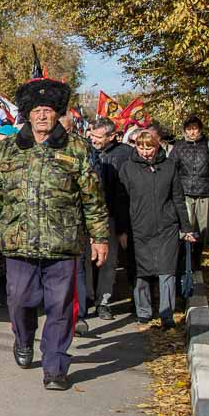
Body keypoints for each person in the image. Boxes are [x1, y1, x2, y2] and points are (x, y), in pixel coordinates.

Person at [0, 78, 109, 391]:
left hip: (63, 243)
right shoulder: (8, 149)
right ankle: (23, 339)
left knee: (60, 307)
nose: (43, 116)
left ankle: (55, 366)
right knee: (20, 300)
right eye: (37, 111)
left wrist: (100, 238)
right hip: (18, 242)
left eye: (48, 110)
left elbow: (93, 198)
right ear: (28, 114)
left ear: (57, 113)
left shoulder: (76, 148)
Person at [115, 128, 195, 328]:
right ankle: (143, 311)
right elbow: (121, 202)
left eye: (149, 148)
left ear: (157, 146)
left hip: (166, 228)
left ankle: (166, 314)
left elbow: (178, 198)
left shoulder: (169, 167)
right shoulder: (127, 168)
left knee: (167, 271)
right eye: (141, 148)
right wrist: (122, 230)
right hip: (137, 228)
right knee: (140, 272)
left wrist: (186, 228)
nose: (145, 152)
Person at [84, 118, 129, 319]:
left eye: (98, 136)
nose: (93, 139)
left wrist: (122, 226)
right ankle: (86, 296)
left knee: (108, 262)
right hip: (87, 216)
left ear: (111, 136)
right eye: (92, 135)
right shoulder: (84, 151)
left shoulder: (125, 154)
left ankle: (103, 301)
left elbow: (124, 193)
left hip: (110, 215)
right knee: (86, 259)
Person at [170, 115, 209, 275]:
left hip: (205, 194)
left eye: (195, 128)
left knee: (201, 232)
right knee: (183, 230)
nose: (192, 132)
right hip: (184, 194)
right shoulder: (179, 146)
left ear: (200, 129)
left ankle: (196, 262)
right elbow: (171, 170)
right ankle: (182, 264)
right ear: (185, 130)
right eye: (189, 129)